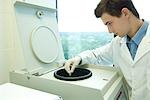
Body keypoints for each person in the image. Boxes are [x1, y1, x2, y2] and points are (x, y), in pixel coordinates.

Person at [64, 0, 150, 100]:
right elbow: (97, 55)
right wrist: (78, 58)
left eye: (109, 23)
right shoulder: (117, 43)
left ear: (125, 13)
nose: (109, 31)